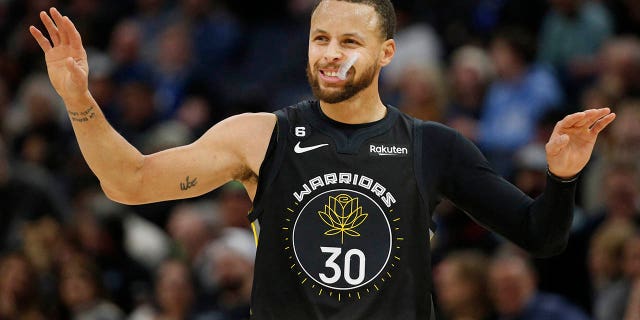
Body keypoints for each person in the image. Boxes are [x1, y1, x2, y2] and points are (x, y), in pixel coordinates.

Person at [30, 1, 615, 319]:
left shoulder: (433, 145)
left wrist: (563, 177)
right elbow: (130, 182)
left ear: (387, 52)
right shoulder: (259, 136)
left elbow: (541, 236)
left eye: (349, 42)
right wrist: (80, 101)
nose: (331, 55)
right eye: (320, 38)